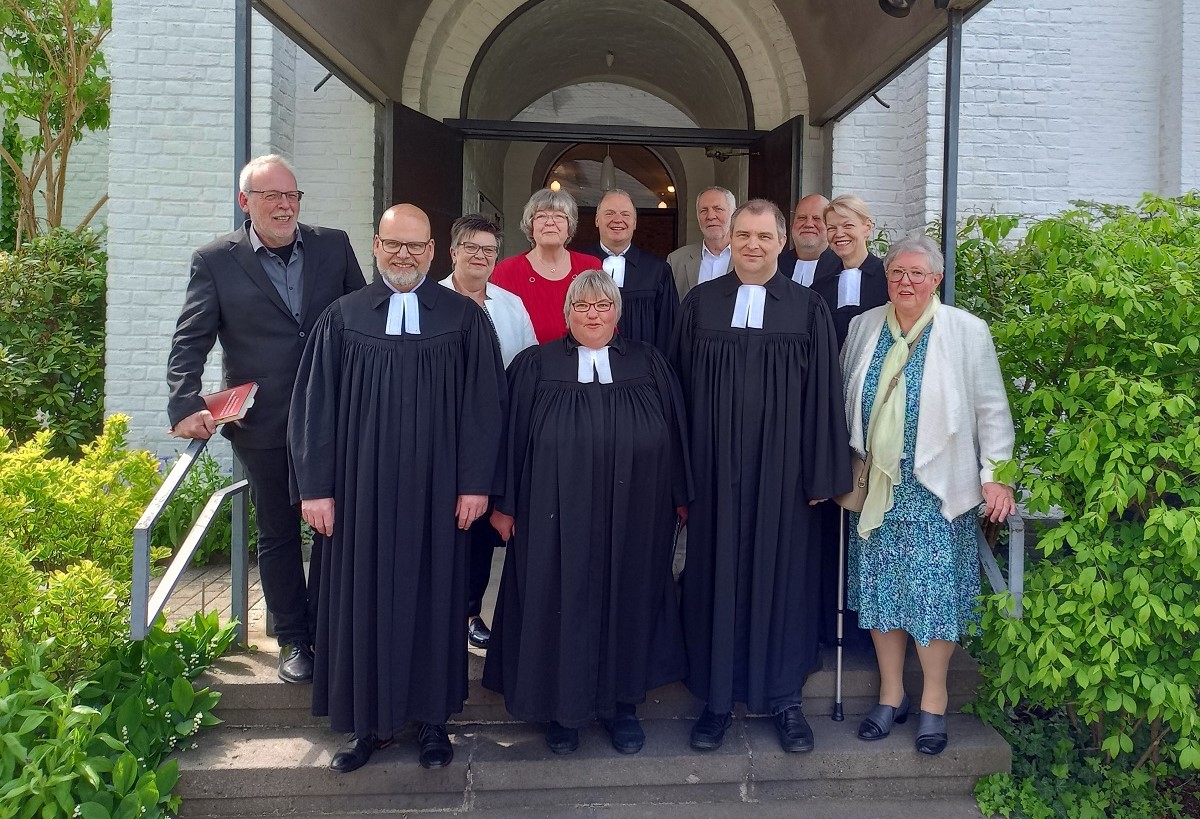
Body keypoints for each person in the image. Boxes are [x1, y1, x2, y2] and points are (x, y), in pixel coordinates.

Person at [289, 204, 506, 772]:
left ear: (433, 251)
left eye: (415, 246)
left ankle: (433, 722)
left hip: (438, 498)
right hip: (359, 497)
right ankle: (369, 726)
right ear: (377, 246)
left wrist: (476, 484)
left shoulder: (462, 319)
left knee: (435, 601)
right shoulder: (342, 317)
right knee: (362, 604)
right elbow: (314, 409)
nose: (404, 255)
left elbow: (486, 407)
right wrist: (316, 489)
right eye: (393, 245)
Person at [166, 154, 365, 685]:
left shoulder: (334, 245)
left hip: (335, 416)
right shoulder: (215, 260)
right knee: (278, 532)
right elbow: (191, 339)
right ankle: (294, 641)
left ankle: (331, 629)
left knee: (335, 527)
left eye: (291, 196)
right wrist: (184, 402)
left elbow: (364, 321)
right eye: (271, 196)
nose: (284, 206)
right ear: (245, 202)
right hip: (263, 422)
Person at [483, 270, 691, 756]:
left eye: (603, 306)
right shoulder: (535, 367)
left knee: (629, 598)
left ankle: (622, 708)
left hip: (637, 511)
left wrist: (682, 497)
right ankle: (562, 712)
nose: (593, 314)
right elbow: (510, 441)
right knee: (559, 600)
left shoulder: (650, 363)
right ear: (567, 314)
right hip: (552, 515)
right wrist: (504, 506)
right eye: (583, 306)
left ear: (618, 313)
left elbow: (678, 435)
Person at [670, 199, 851, 754]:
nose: (752, 244)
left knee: (784, 581)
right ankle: (715, 701)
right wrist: (679, 478)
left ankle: (785, 700)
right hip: (713, 473)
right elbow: (675, 393)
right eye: (742, 234)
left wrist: (823, 474)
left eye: (763, 236)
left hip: (784, 477)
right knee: (714, 578)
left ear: (782, 242)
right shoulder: (700, 304)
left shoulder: (808, 308)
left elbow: (824, 394)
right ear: (730, 238)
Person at [841, 234, 1015, 756]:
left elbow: (992, 409)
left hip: (935, 488)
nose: (906, 282)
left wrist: (996, 473)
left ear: (936, 279)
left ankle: (933, 700)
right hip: (878, 488)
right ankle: (891, 695)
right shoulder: (863, 325)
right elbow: (845, 395)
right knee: (881, 593)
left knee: (933, 597)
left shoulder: (964, 330)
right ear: (886, 277)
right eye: (897, 273)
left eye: (918, 274)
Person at [438, 213, 536, 651]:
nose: (480, 257)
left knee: (477, 530)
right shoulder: (431, 301)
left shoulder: (511, 305)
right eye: (472, 248)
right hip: (440, 437)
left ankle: (471, 611)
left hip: (493, 437)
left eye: (489, 250)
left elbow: (529, 367)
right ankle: (437, 613)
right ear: (454, 252)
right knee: (440, 530)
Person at [490, 188, 602, 343]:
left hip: (580, 361)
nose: (550, 222)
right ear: (531, 226)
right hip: (527, 362)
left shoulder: (590, 266)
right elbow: (496, 328)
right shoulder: (507, 270)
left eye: (559, 216)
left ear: (569, 227)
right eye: (541, 216)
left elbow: (605, 322)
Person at [581, 189, 679, 354]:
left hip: (641, 368)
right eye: (609, 213)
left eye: (625, 214)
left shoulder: (657, 270)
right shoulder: (579, 265)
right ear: (597, 220)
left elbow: (668, 332)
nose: (618, 219)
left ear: (635, 223)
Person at [811, 194, 890, 348]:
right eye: (832, 228)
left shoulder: (889, 279)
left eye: (848, 226)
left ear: (867, 228)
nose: (839, 234)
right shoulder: (819, 288)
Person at [666, 187, 736, 297]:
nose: (711, 216)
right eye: (704, 211)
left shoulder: (749, 256)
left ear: (734, 214)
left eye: (718, 209)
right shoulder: (676, 260)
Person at [776, 193, 841, 286]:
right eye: (802, 218)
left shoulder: (842, 268)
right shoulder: (775, 266)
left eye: (817, 218)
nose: (808, 224)